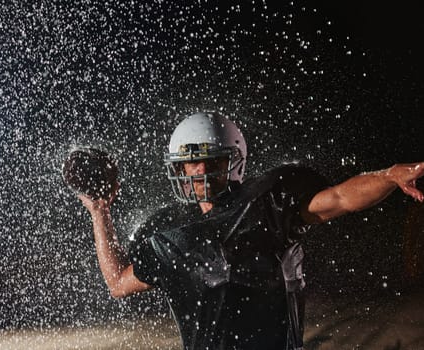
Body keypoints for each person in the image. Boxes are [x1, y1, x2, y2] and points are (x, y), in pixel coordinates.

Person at [77, 112, 424, 350]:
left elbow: (341, 198)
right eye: (190, 162)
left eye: (209, 160)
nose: (198, 171)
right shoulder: (170, 233)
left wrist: (388, 175)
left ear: (232, 161)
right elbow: (119, 282)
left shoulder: (266, 205)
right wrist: (100, 213)